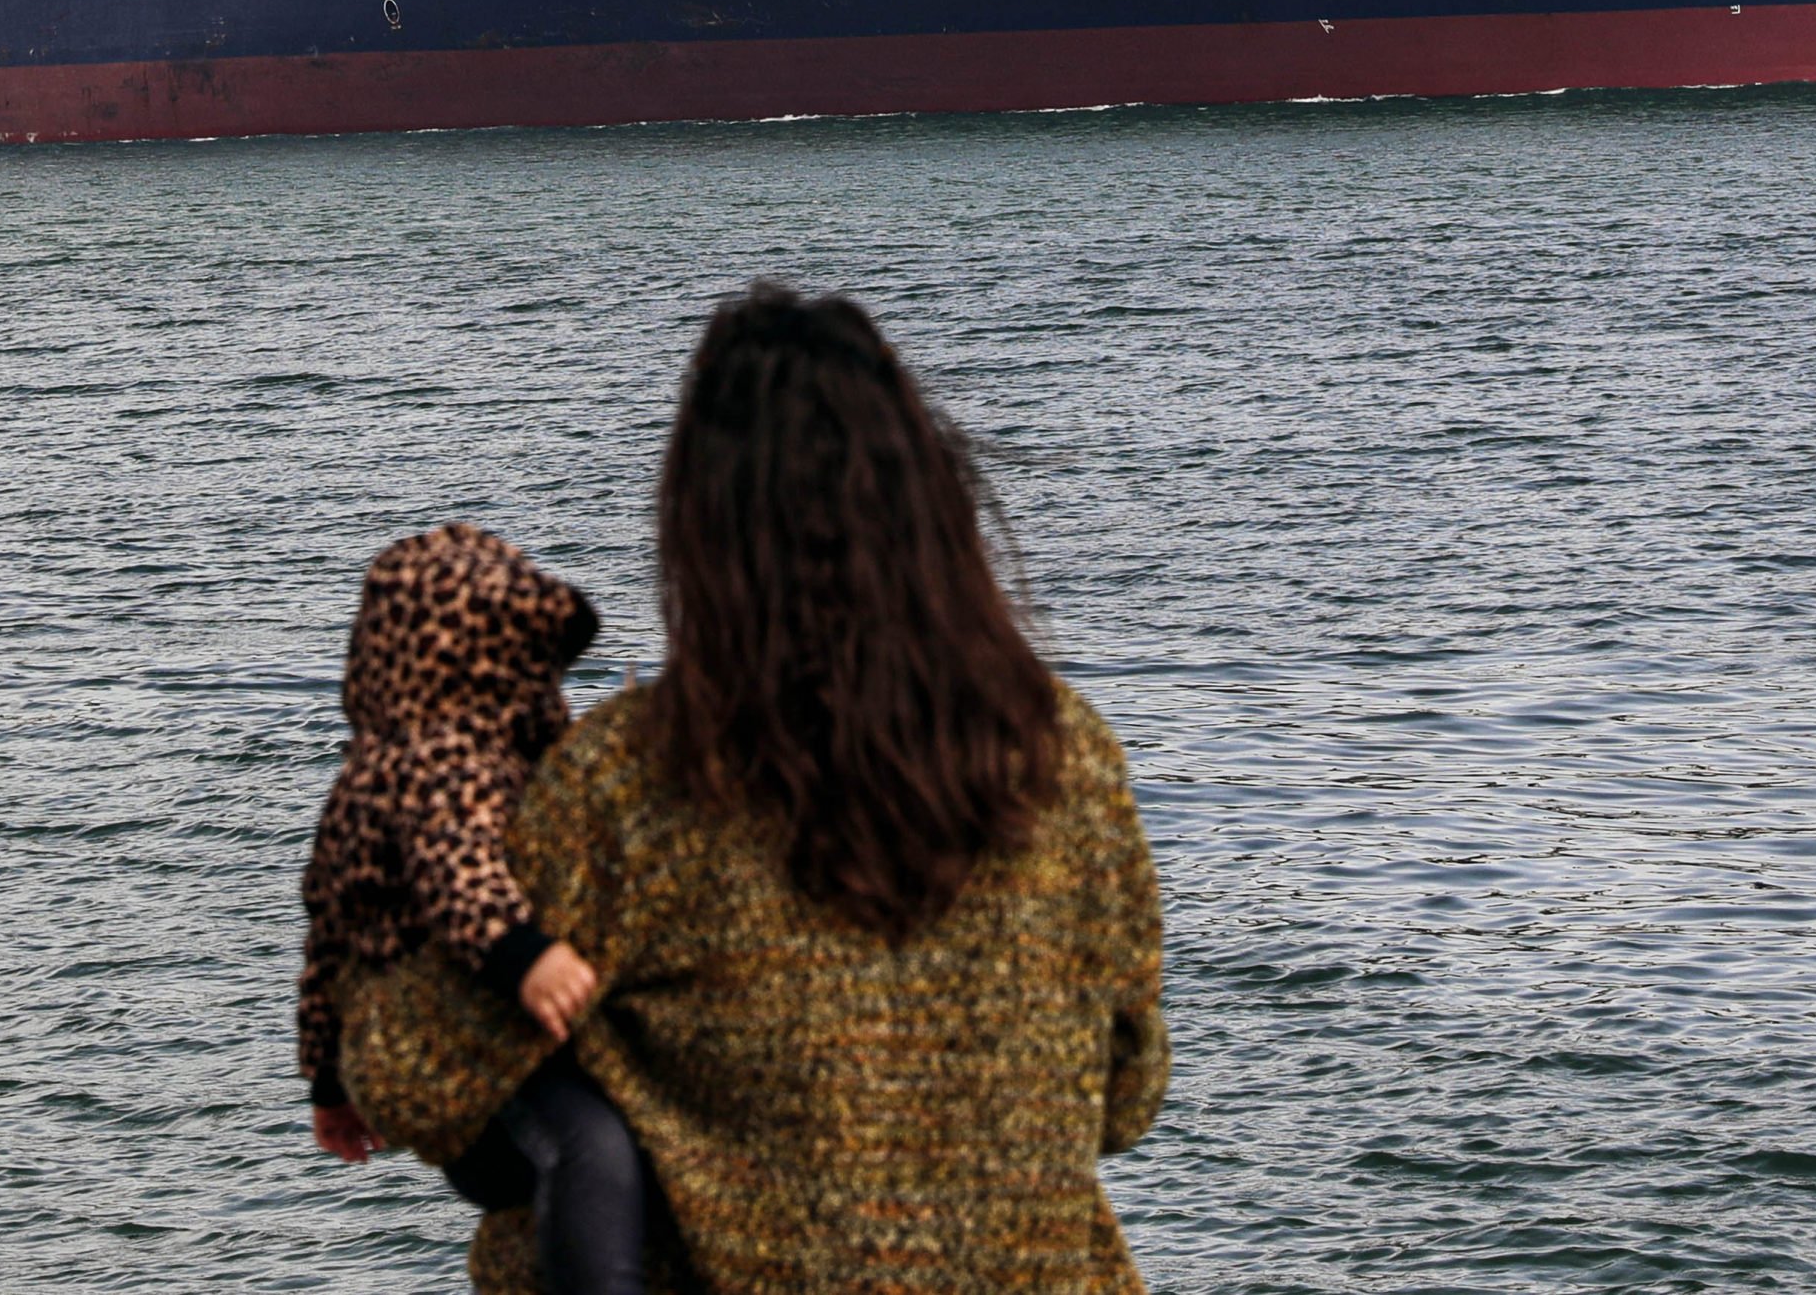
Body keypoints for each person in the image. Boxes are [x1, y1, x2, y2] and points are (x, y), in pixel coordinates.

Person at [336, 285, 1168, 1293]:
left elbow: (411, 1072)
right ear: (932, 503)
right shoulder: (1070, 755)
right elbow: (1126, 1098)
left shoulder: (632, 784)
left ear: (699, 525)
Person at [298, 522, 653, 1294]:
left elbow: (327, 959)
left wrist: (327, 1087)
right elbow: (457, 871)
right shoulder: (440, 762)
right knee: (590, 1143)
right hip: (464, 1059)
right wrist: (527, 959)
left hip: (466, 1051)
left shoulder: (393, 772)